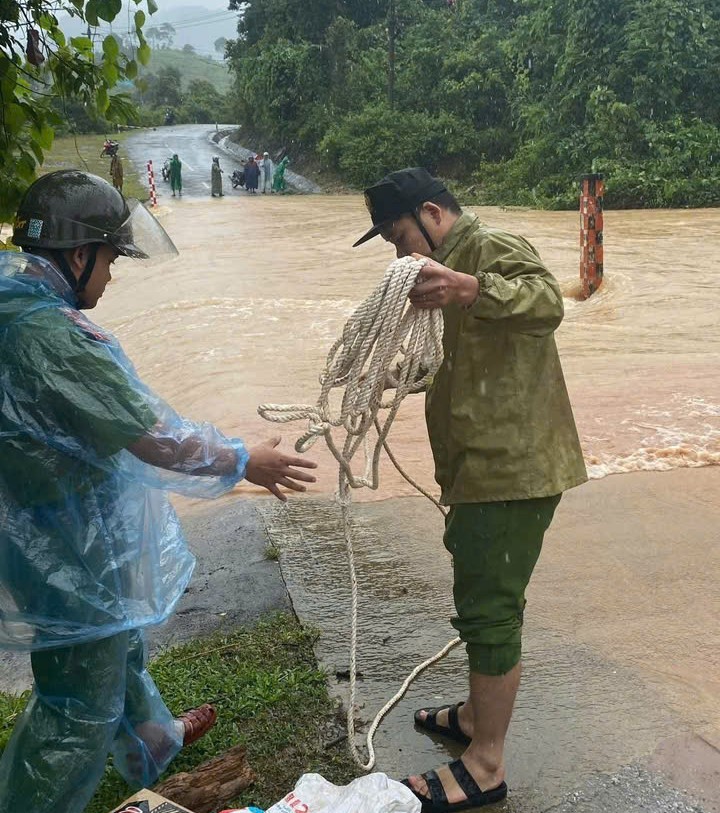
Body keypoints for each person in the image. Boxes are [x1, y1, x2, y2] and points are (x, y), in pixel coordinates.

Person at [0, 170, 317, 813]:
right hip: (62, 537)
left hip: (54, 521)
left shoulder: (14, 301)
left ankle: (151, 737)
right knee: (77, 704)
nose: (111, 276)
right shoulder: (51, 335)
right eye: (111, 259)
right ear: (80, 255)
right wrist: (242, 460)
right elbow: (155, 439)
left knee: (122, 636)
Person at [353, 167, 587, 813]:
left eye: (400, 238)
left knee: (490, 611)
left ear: (432, 214)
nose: (399, 256)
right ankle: (473, 716)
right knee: (478, 592)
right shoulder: (439, 277)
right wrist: (396, 375)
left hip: (511, 468)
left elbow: (548, 301)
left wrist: (471, 286)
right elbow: (455, 358)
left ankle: (485, 765)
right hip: (477, 469)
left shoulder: (489, 249)